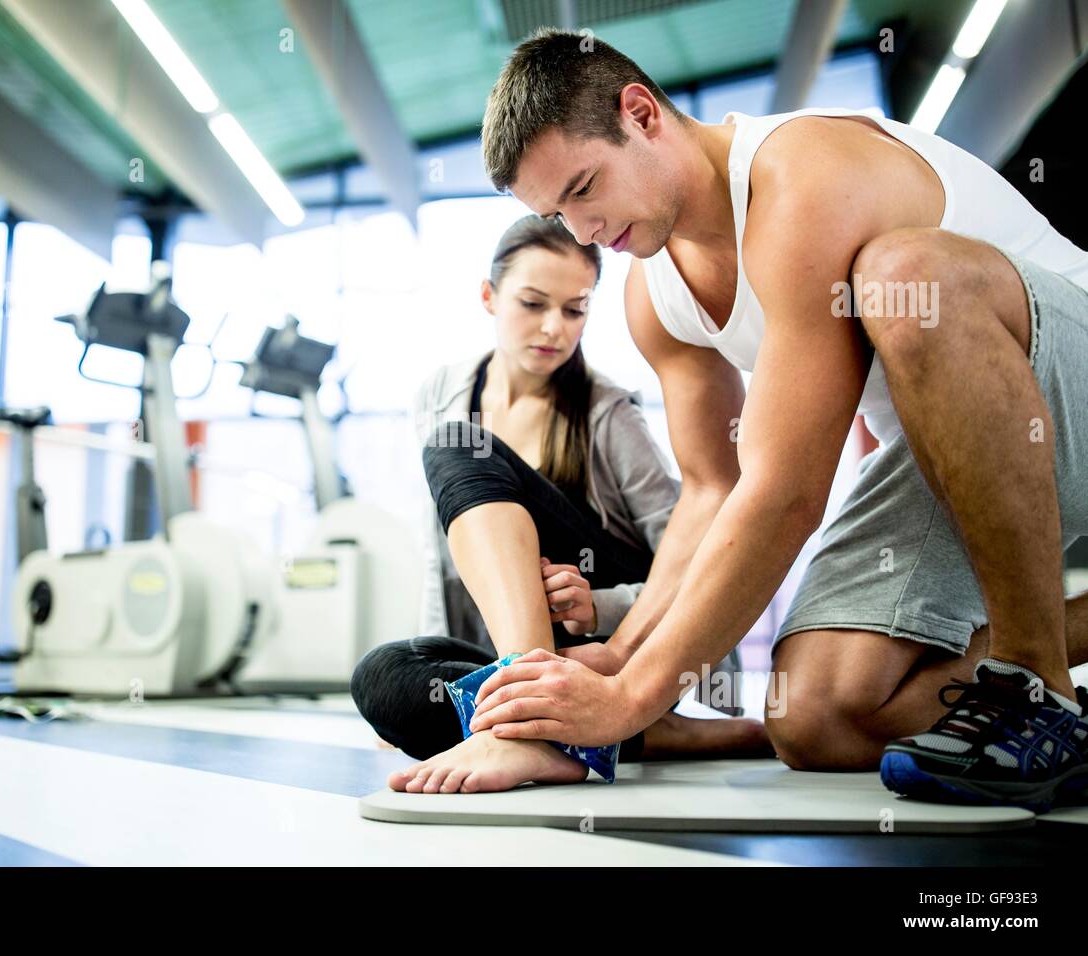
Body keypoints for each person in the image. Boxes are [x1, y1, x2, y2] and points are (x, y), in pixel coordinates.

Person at [448, 28, 1088, 811]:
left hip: (1069, 381)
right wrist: (619, 655)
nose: (582, 233)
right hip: (954, 460)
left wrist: (631, 702)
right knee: (817, 717)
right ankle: (1049, 659)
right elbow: (715, 490)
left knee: (903, 276)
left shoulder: (802, 176)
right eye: (556, 212)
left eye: (583, 189)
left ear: (641, 114)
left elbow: (786, 491)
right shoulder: (655, 293)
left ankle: (1037, 685)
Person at [350, 214, 768, 794]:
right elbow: (438, 558)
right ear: (489, 297)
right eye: (533, 303)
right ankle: (661, 735)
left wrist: (600, 606)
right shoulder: (441, 392)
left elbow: (702, 564)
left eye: (575, 309)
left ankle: (529, 722)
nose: (554, 328)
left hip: (618, 652)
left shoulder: (607, 414)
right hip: (543, 661)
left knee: (457, 445)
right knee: (384, 679)